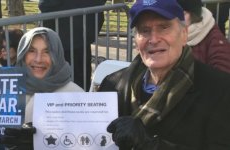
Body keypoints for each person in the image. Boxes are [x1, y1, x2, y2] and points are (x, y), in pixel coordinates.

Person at [98, 0, 230, 149]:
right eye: (145, 30)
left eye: (164, 28)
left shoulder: (220, 90)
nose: (153, 39)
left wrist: (150, 145)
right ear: (136, 40)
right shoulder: (113, 85)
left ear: (184, 34)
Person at [38, 0, 107, 91]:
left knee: (71, 81)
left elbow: (45, 4)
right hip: (79, 38)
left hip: (67, 39)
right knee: (80, 79)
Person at [177, 0, 230, 74]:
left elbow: (224, 75)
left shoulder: (213, 37)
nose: (175, 20)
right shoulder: (165, 34)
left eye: (181, 15)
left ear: (193, 15)